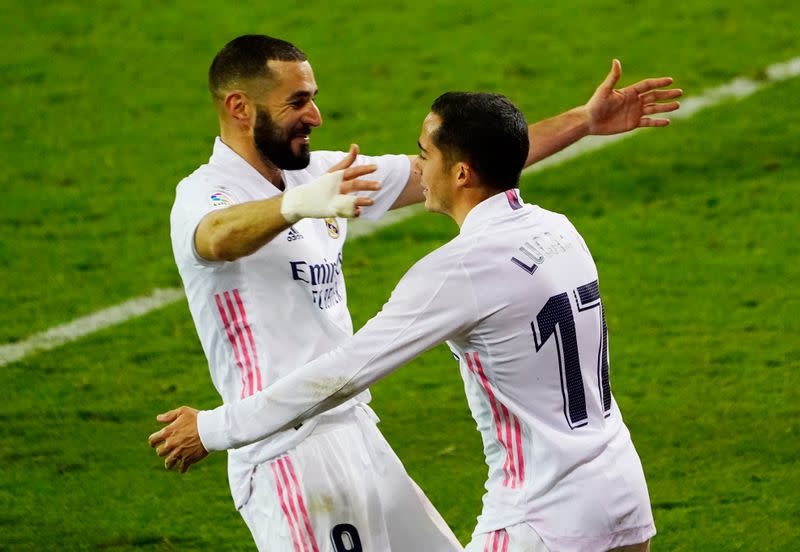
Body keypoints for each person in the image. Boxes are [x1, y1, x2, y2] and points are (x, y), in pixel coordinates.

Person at [152, 34, 679, 552]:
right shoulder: (206, 194)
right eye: (298, 101)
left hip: (355, 422)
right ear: (240, 107)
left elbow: (472, 162)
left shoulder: (323, 174)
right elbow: (217, 237)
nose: (316, 116)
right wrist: (297, 205)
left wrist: (582, 121)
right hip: (282, 448)